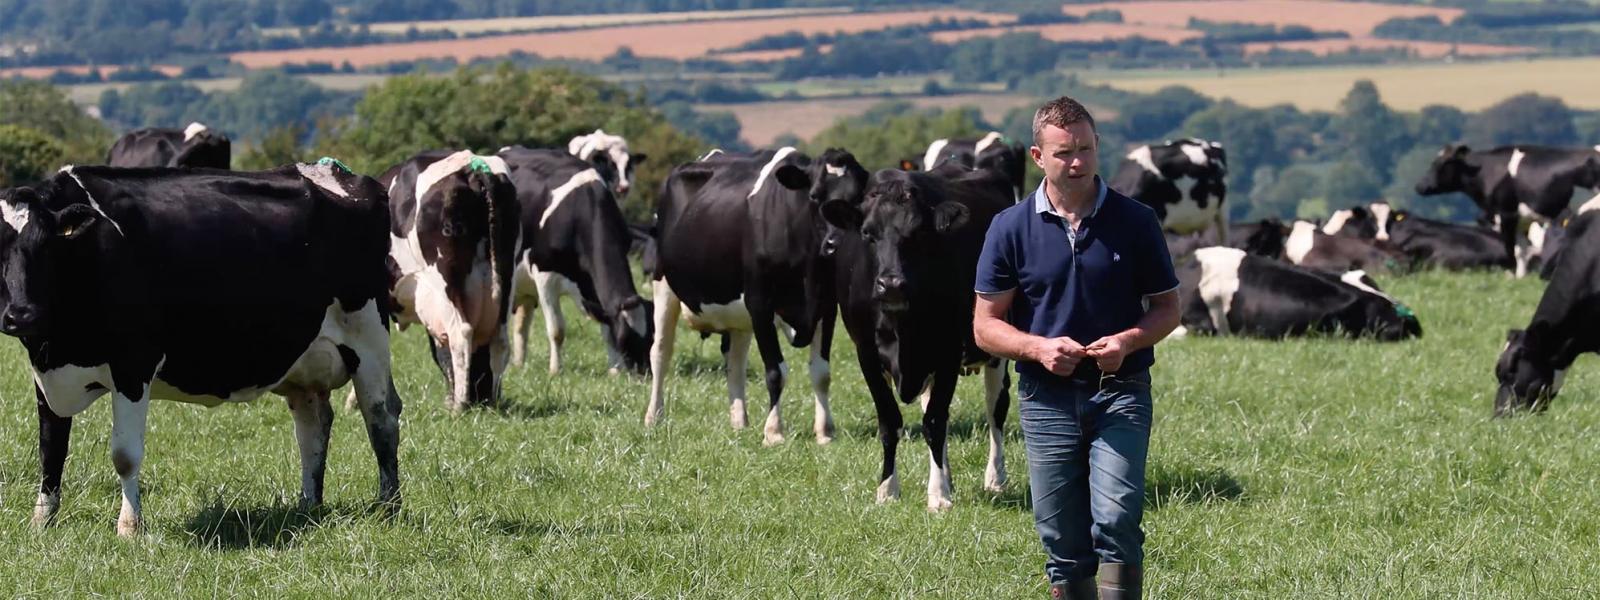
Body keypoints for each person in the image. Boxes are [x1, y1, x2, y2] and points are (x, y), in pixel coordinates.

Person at [972, 96, 1181, 600]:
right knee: (1061, 538)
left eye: (1086, 149)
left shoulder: (1135, 221)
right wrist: (1038, 349)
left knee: (1115, 519)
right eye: (1065, 152)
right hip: (1045, 399)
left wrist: (1130, 340)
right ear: (1038, 156)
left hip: (1121, 391)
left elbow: (1168, 309)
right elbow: (985, 326)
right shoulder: (1010, 228)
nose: (1079, 162)